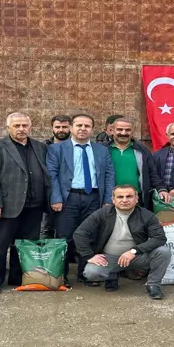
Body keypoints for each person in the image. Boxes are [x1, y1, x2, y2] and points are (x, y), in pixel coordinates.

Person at [0, 112, 49, 293]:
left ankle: (18, 277)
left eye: (24, 126)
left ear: (30, 127)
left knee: (25, 246)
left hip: (34, 206)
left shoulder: (39, 147)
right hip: (6, 206)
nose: (21, 129)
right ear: (8, 128)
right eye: (17, 126)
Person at [47, 114, 116, 287]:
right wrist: (56, 198)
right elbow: (51, 175)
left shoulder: (101, 150)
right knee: (64, 238)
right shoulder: (57, 149)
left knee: (90, 237)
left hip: (93, 198)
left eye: (87, 126)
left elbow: (109, 175)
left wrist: (108, 199)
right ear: (71, 127)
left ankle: (86, 274)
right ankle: (60, 276)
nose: (83, 129)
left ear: (92, 129)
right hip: (67, 199)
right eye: (79, 125)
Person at [73, 184, 171, 299]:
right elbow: (80, 233)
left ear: (136, 199)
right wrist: (89, 256)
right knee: (91, 273)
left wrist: (134, 251)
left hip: (136, 256)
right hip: (109, 258)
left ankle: (153, 284)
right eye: (120, 197)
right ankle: (111, 276)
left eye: (129, 196)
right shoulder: (102, 213)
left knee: (164, 251)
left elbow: (159, 238)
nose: (124, 200)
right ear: (113, 200)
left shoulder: (147, 215)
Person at [106, 116, 158, 207]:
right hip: (110, 199)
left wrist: (161, 189)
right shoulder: (103, 150)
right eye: (119, 129)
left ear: (132, 131)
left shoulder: (142, 150)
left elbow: (152, 173)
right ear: (112, 130)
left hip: (136, 199)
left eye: (128, 130)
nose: (123, 133)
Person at [41, 115, 72, 239]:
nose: (61, 130)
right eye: (57, 127)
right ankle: (46, 256)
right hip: (48, 192)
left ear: (70, 128)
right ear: (52, 128)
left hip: (70, 193)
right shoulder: (43, 147)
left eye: (64, 127)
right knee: (46, 226)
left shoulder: (77, 147)